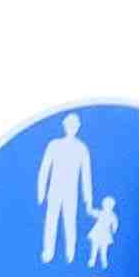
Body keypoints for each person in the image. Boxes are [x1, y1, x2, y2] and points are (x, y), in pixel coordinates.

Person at [36, 111, 93, 263]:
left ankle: (70, 254)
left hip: (71, 192)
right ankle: (48, 252)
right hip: (54, 190)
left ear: (78, 127)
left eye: (74, 125)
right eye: (69, 125)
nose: (72, 128)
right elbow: (44, 170)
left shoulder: (82, 148)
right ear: (64, 126)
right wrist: (41, 192)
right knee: (51, 221)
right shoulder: (54, 145)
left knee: (70, 222)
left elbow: (86, 177)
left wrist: (88, 200)